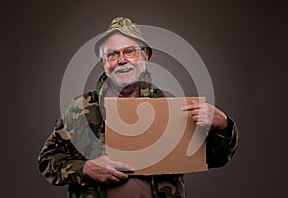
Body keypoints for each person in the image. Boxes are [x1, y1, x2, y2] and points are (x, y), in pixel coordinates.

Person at [38, 17, 238, 198]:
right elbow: (47, 160)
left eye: (130, 51)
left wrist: (223, 126)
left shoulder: (168, 105)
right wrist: (86, 169)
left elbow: (212, 158)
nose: (122, 60)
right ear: (103, 63)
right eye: (113, 54)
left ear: (145, 56)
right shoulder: (80, 109)